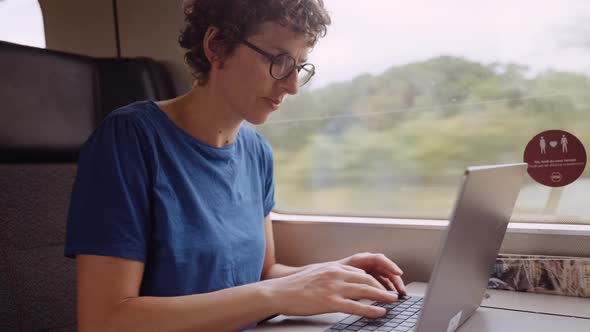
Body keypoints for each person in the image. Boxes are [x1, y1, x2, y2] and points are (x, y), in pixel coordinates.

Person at [64, 0, 406, 331]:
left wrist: (333, 273)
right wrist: (278, 295)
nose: (290, 86)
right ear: (216, 46)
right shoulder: (130, 138)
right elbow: (105, 322)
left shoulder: (257, 153)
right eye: (279, 60)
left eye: (298, 67)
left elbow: (261, 275)